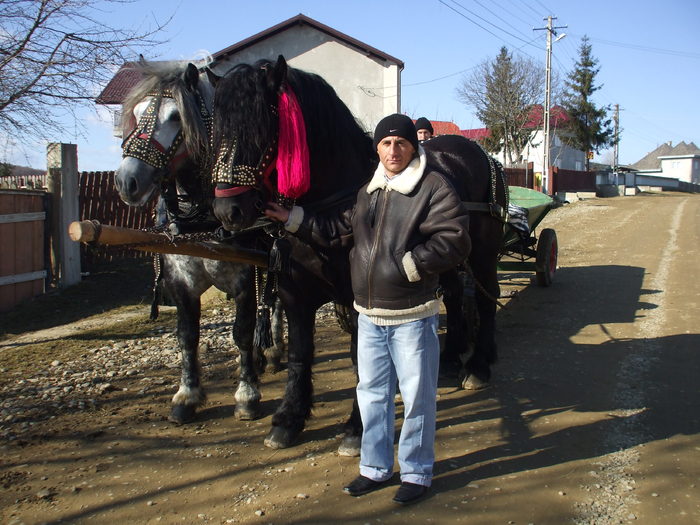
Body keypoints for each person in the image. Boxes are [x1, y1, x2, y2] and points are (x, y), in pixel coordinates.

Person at [265, 113, 471, 506]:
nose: (393, 150)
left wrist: (408, 265)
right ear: (376, 149)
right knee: (371, 394)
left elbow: (454, 240)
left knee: (417, 398)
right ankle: (375, 468)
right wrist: (292, 219)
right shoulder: (369, 192)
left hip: (411, 314)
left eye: (401, 143)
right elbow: (340, 230)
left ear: (413, 147)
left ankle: (416, 471)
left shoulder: (433, 187)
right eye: (386, 143)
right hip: (370, 316)